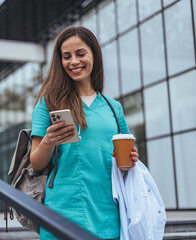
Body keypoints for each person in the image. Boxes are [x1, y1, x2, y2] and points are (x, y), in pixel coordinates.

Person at [30, 26, 139, 239]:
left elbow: (124, 158)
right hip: (62, 214)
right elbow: (36, 163)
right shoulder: (47, 104)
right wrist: (49, 141)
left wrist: (132, 159)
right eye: (66, 56)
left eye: (81, 54)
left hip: (108, 214)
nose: (74, 62)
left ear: (93, 56)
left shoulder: (113, 107)